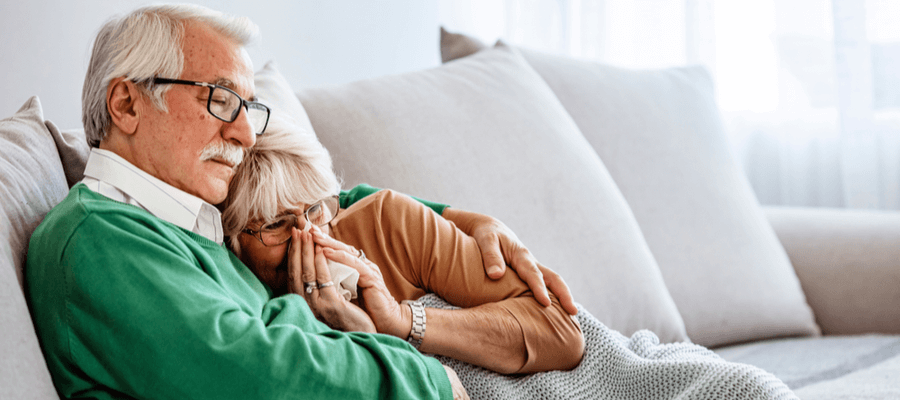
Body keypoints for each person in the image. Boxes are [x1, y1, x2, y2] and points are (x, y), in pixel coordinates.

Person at [24, 4, 571, 399]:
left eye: (249, 107)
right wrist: (424, 380)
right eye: (219, 99)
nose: (243, 133)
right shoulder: (101, 239)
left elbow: (318, 205)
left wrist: (463, 218)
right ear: (126, 103)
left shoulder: (185, 216)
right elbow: (253, 376)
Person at [221, 124, 585, 374]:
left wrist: (402, 323)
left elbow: (562, 332)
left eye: (315, 211)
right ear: (233, 241)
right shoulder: (233, 296)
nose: (308, 237)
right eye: (275, 224)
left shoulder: (386, 221)